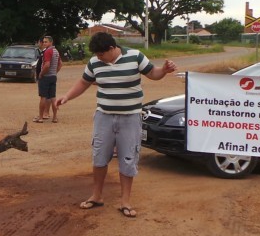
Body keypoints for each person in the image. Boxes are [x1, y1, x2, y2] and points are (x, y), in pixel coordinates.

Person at [54, 31, 177, 218]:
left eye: (101, 54)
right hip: (104, 116)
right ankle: (97, 196)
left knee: (128, 158)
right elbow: (84, 82)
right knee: (99, 156)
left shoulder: (135, 56)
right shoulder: (95, 63)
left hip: (130, 117)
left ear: (112, 48)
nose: (98, 57)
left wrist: (164, 70)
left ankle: (125, 201)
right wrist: (67, 97)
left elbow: (153, 73)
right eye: (96, 55)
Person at [35, 35, 62, 123]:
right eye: (43, 42)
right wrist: (54, 72)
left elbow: (47, 65)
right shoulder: (56, 51)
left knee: (43, 97)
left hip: (46, 77)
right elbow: (60, 64)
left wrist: (41, 74)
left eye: (46, 42)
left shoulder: (48, 51)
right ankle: (54, 117)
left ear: (51, 42)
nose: (44, 43)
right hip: (53, 77)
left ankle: (41, 117)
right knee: (53, 97)